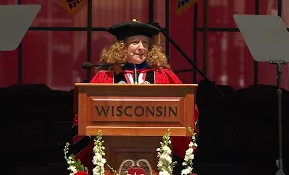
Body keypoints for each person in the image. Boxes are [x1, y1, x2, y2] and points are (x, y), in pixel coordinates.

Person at [71, 19, 199, 174]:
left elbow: (186, 106)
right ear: (122, 47)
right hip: (111, 149)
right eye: (135, 42)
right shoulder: (106, 77)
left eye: (145, 43)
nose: (141, 48)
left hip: (157, 148)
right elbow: (85, 114)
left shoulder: (162, 75)